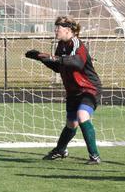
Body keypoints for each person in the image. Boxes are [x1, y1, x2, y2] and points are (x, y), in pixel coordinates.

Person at [25, 16, 102, 165]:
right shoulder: (61, 45)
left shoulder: (77, 44)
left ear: (68, 30)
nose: (55, 30)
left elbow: (77, 63)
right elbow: (58, 66)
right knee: (71, 124)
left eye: (58, 28)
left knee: (82, 116)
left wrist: (52, 58)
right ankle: (60, 150)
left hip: (88, 88)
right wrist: (40, 57)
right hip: (73, 91)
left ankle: (94, 156)